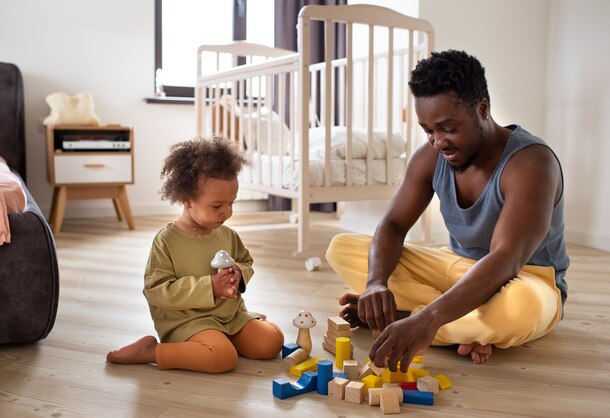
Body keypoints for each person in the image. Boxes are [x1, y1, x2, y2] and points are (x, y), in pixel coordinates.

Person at [326, 50, 569, 370]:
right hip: (457, 269)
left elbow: (506, 259)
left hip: (527, 278)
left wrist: (429, 317)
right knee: (343, 248)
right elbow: (394, 225)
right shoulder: (430, 157)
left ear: (482, 109)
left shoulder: (532, 163)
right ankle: (462, 326)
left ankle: (409, 320)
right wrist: (375, 284)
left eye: (448, 128)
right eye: (428, 130)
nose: (438, 141)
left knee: (517, 310)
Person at [107, 137, 284, 373]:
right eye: (217, 205)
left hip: (230, 316)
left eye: (231, 203)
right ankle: (151, 351)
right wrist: (210, 286)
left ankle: (226, 335)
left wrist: (238, 275)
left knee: (272, 342)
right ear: (186, 200)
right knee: (222, 359)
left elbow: (246, 261)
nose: (227, 212)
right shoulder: (167, 241)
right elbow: (156, 291)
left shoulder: (228, 235)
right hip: (189, 322)